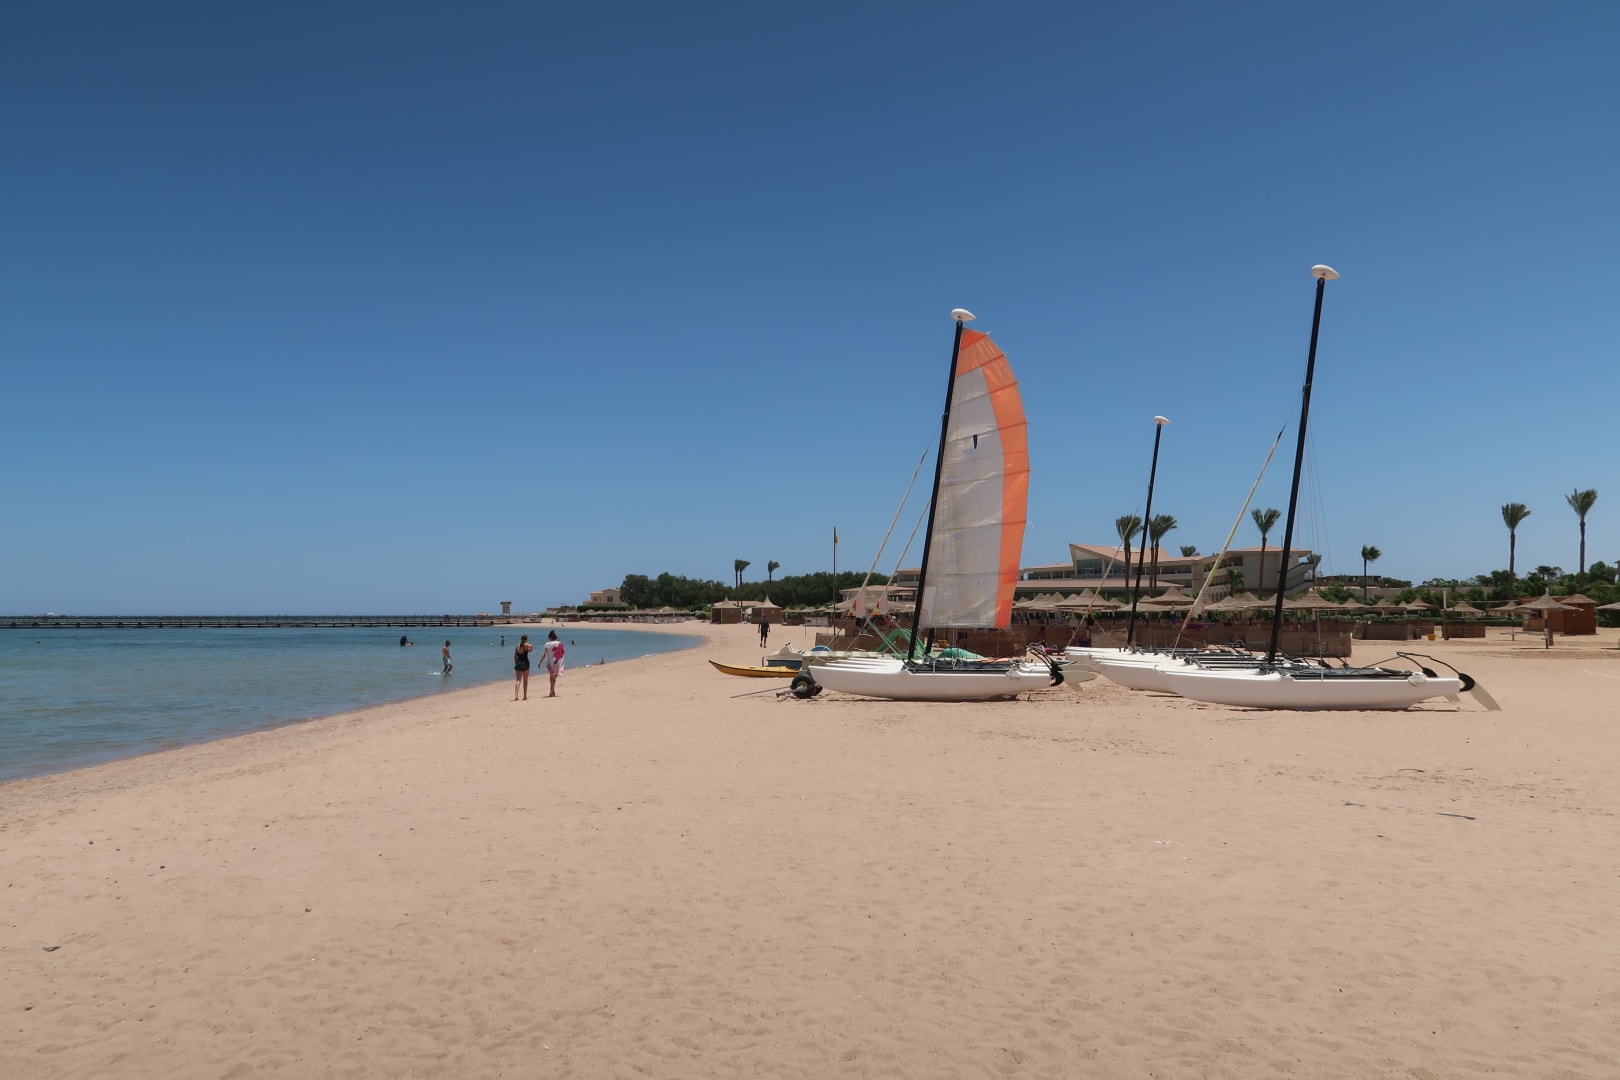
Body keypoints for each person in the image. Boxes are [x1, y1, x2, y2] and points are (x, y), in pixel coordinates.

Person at [541, 630, 565, 697]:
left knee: (551, 676)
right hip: (556, 662)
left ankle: (552, 691)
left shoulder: (546, 644)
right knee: (554, 677)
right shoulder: (560, 643)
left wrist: (540, 661)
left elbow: (545, 654)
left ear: (550, 637)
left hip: (549, 663)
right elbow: (562, 653)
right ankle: (551, 691)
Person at [513, 634, 533, 700]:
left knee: (518, 680)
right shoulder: (526, 645)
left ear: (521, 639)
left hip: (518, 663)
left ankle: (516, 695)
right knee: (525, 680)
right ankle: (524, 696)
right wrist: (527, 644)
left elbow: (515, 657)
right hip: (525, 663)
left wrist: (516, 663)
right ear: (526, 640)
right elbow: (531, 647)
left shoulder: (517, 646)